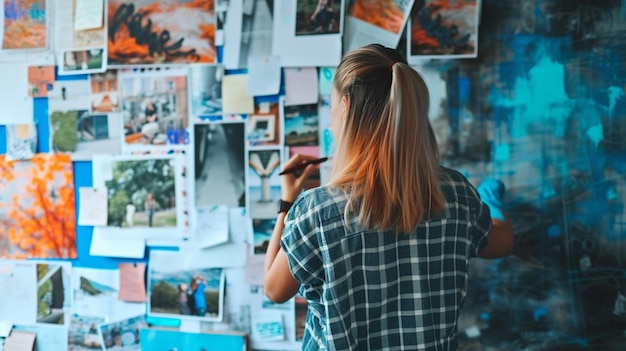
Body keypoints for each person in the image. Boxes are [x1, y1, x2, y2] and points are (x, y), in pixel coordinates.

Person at [263, 44, 514, 350]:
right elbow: (503, 242)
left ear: (344, 107)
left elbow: (274, 289)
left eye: (331, 109)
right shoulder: (457, 194)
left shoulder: (315, 212)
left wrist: (286, 203)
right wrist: (495, 202)